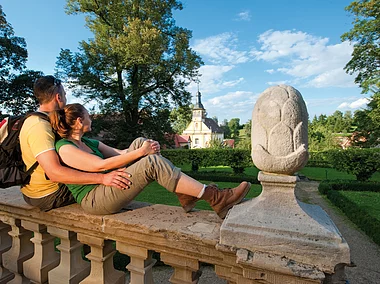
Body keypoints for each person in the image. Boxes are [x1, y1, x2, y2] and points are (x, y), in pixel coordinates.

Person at [49, 103, 251, 218]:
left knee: (139, 142)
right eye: (88, 116)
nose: (91, 119)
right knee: (151, 162)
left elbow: (121, 153)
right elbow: (99, 166)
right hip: (95, 199)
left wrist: (144, 147)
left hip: (111, 183)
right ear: (78, 121)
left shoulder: (89, 142)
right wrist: (142, 154)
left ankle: (186, 193)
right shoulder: (65, 148)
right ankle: (215, 198)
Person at [19, 75, 132, 211]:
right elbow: (54, 172)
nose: (66, 100)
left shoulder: (38, 120)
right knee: (113, 183)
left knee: (113, 173)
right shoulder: (39, 126)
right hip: (48, 194)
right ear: (58, 97)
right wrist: (102, 178)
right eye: (65, 95)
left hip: (34, 189)